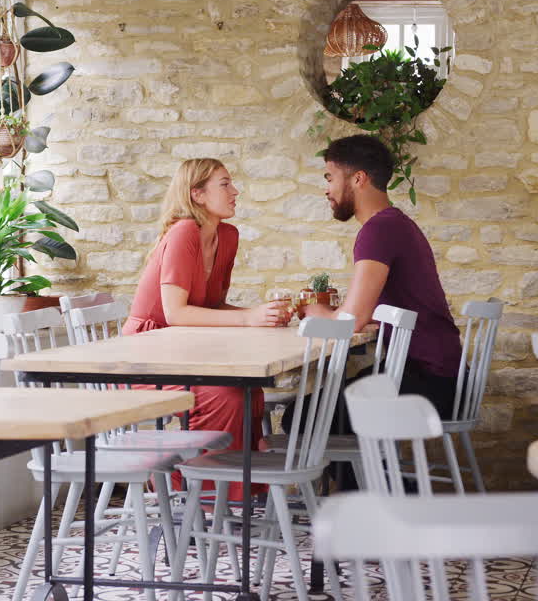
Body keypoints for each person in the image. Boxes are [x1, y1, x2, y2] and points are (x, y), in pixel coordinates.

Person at [123, 157, 290, 499]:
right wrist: (247, 319)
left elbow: (211, 308)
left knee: (248, 390)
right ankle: (197, 493)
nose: (235, 191)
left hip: (185, 349)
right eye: (225, 184)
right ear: (197, 194)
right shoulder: (184, 231)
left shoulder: (227, 236)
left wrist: (261, 314)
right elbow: (175, 313)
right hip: (147, 351)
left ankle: (230, 490)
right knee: (226, 396)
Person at [298, 135, 464, 418]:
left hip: (430, 383)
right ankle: (372, 463)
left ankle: (370, 464)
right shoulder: (395, 223)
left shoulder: (378, 231)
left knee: (301, 417)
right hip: (442, 376)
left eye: (330, 178)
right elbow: (366, 310)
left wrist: (313, 311)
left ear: (358, 179)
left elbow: (351, 323)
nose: (327, 190)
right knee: (323, 405)